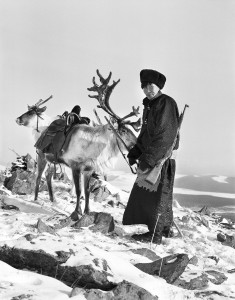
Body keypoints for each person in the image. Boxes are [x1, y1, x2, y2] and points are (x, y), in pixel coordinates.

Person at [122, 69, 180, 244]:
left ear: (159, 86)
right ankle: (163, 230)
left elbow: (166, 135)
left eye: (151, 86)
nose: (148, 90)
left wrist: (148, 159)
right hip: (152, 157)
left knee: (158, 197)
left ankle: (155, 235)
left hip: (161, 159)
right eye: (144, 87)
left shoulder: (166, 104)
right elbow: (146, 134)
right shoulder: (149, 105)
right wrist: (135, 154)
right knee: (147, 195)